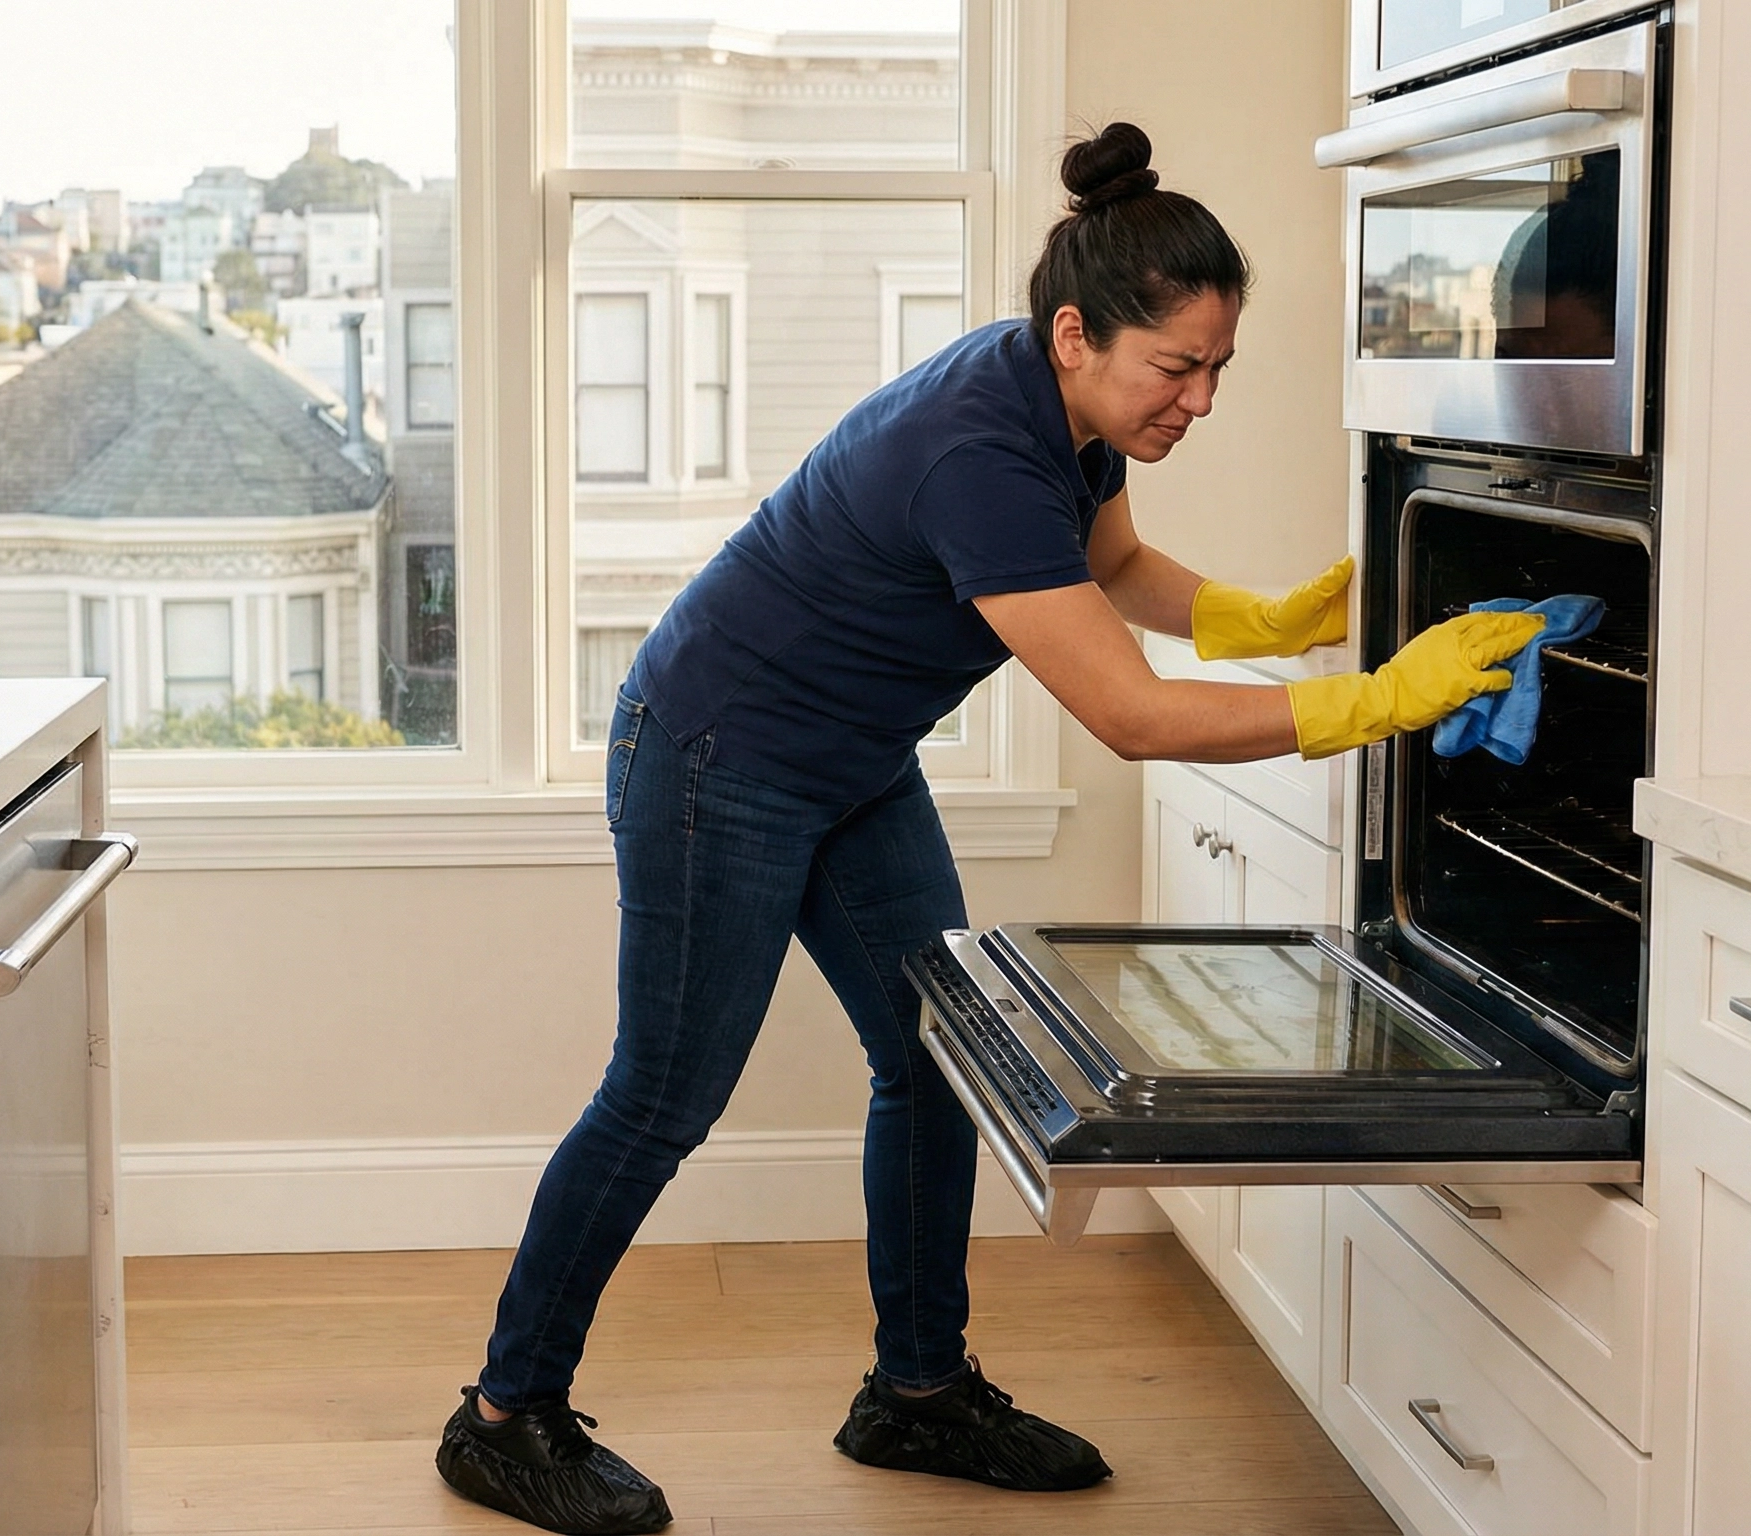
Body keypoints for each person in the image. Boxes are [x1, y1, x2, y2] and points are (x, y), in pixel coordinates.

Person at [434, 121, 1544, 1536]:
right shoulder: (978, 446)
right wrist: (1376, 698)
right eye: (1175, 368)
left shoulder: (1057, 407)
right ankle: (505, 1416)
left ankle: (915, 1394)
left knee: (936, 1057)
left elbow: (1114, 567)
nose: (1198, 400)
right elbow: (1132, 718)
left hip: (851, 757)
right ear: (1078, 333)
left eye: (1216, 369)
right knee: (665, 1095)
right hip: (722, 753)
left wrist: (1253, 619)